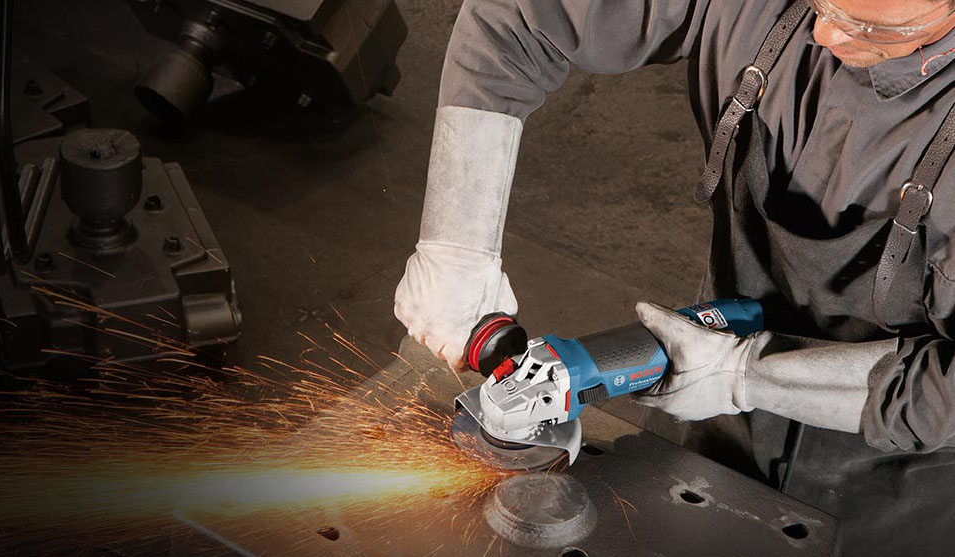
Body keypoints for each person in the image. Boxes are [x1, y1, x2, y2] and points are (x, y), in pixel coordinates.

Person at [394, 0, 955, 554]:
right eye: (820, 2)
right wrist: (456, 244)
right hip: (706, 412)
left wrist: (745, 373)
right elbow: (519, 15)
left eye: (864, 25)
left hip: (893, 482)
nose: (825, 34)